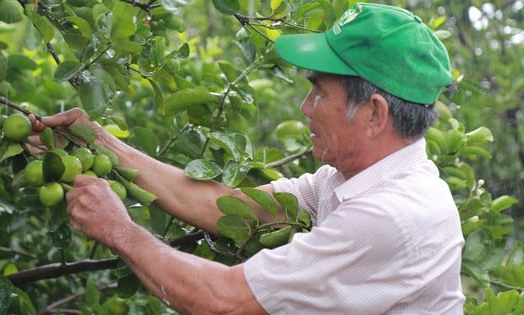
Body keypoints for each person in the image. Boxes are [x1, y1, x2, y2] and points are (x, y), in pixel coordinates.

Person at [30, 2, 465, 314]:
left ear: (374, 113)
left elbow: (225, 300)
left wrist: (119, 230)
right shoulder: (348, 180)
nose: (305, 108)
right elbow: (222, 207)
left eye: (319, 92)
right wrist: (100, 142)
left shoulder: (390, 215)